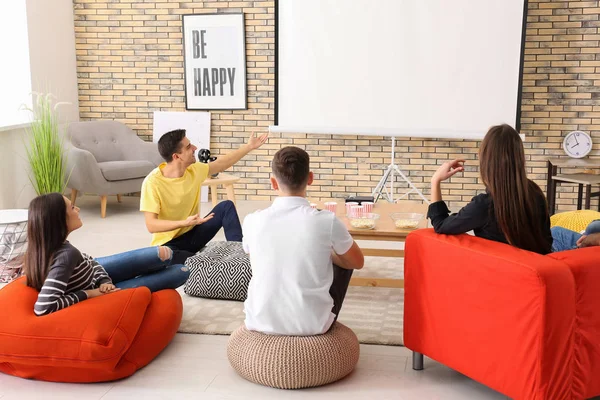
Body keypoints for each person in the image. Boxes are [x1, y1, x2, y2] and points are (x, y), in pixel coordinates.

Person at [242, 146, 364, 336]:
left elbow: (251, 252)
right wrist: (328, 254)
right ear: (310, 178)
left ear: (273, 183)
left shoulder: (252, 220)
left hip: (259, 319)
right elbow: (357, 262)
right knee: (343, 259)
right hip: (313, 324)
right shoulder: (326, 220)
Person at [25, 193, 189, 316]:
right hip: (95, 292)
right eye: (72, 207)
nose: (78, 209)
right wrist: (91, 293)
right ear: (60, 219)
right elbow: (43, 308)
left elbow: (90, 262)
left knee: (162, 254)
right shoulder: (66, 255)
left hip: (94, 277)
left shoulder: (45, 247)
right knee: (180, 271)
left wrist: (103, 280)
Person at [141, 129, 268, 260]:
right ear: (176, 156)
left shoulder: (193, 170)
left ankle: (240, 258)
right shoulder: (153, 182)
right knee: (193, 261)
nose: (195, 148)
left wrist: (249, 147)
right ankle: (195, 260)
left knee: (226, 207)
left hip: (194, 234)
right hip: (169, 245)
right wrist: (184, 223)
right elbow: (151, 225)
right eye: (189, 147)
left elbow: (221, 164)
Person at [428, 124, 553, 255]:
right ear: (519, 157)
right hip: (537, 267)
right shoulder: (535, 192)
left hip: (502, 272)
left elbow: (441, 225)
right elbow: (547, 240)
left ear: (486, 159)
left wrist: (435, 181)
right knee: (559, 231)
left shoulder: (484, 205)